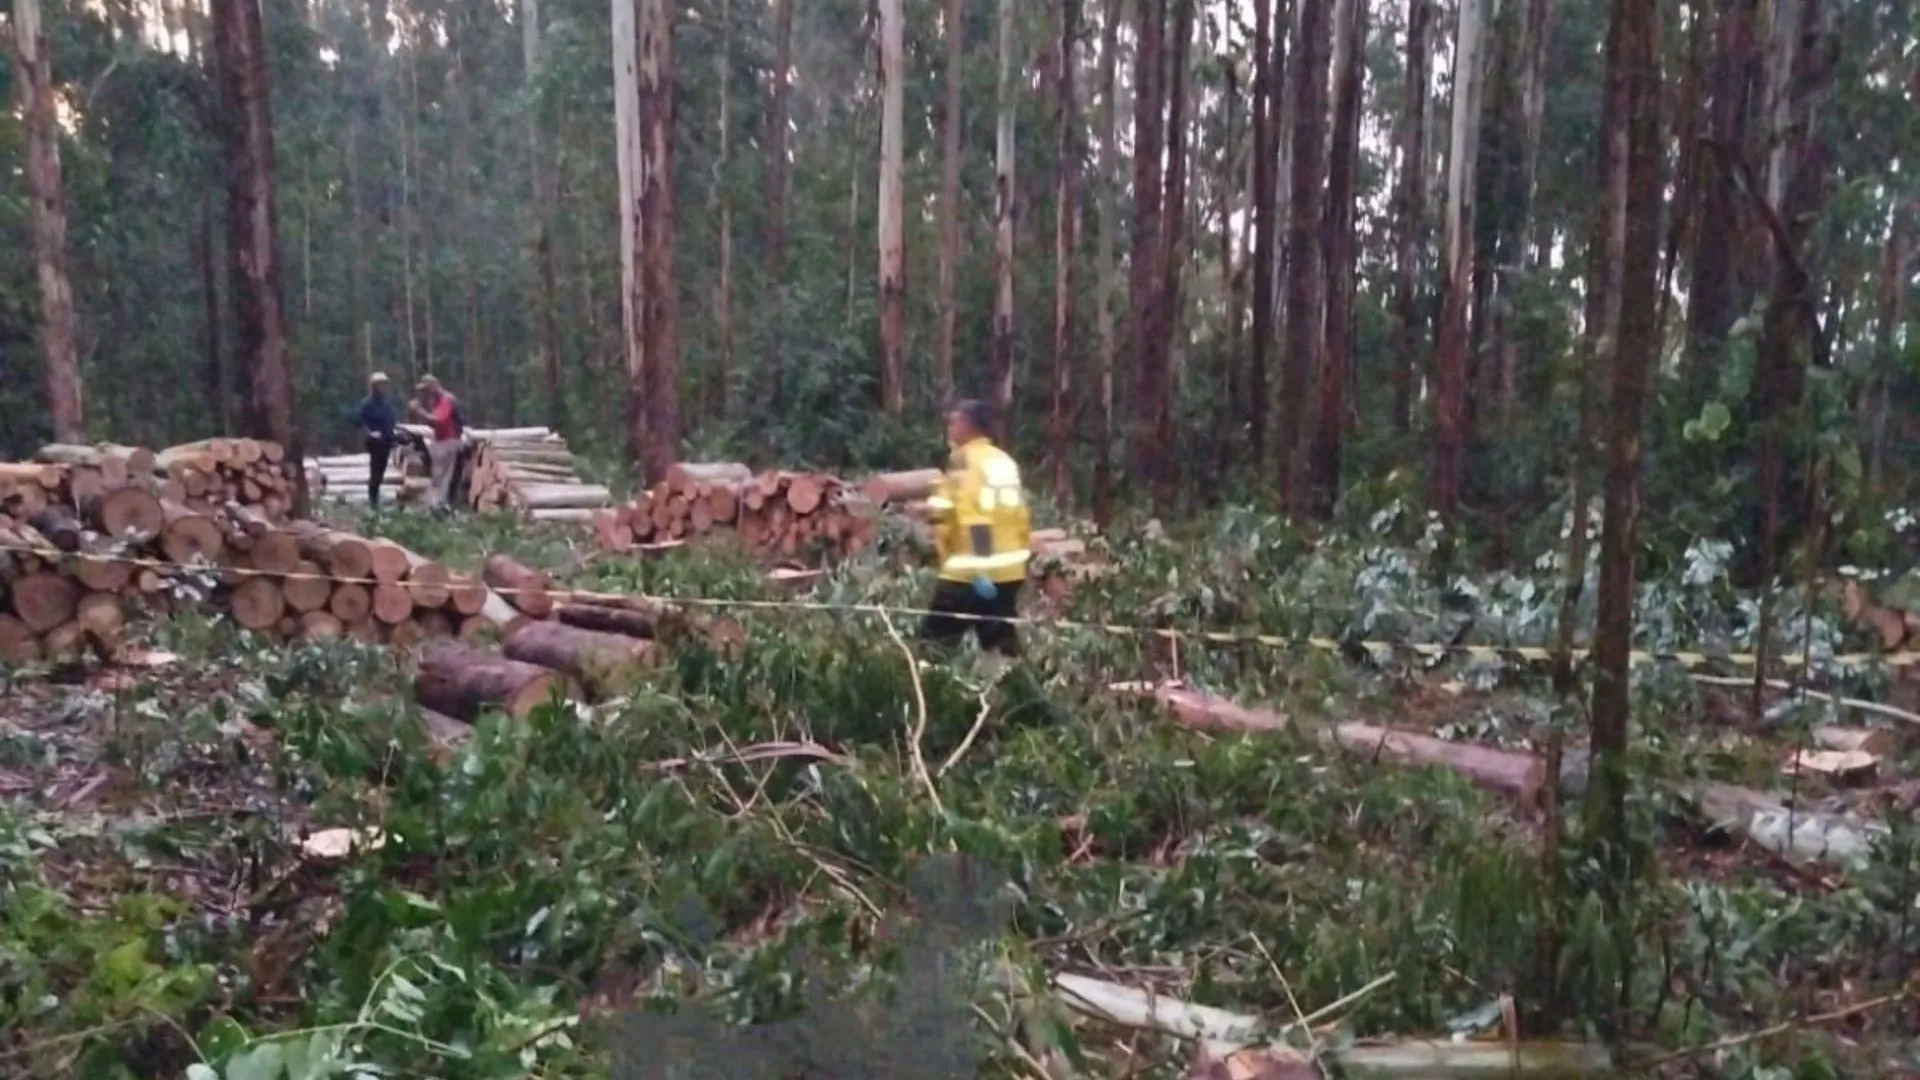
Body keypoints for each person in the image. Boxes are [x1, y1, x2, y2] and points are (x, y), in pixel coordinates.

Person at [920, 400, 1031, 657]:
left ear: (968, 426)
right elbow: (1020, 515)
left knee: (933, 648)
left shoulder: (964, 461)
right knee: (1001, 647)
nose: (949, 428)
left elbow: (975, 516)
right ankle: (1019, 694)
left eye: (953, 422)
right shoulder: (1003, 461)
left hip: (969, 573)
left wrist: (981, 567)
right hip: (1008, 571)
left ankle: (927, 694)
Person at [408, 375, 465, 510]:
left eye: (426, 389)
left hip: (449, 441)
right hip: (441, 441)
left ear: (433, 387)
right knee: (439, 476)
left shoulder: (446, 400)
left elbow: (438, 421)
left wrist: (419, 411)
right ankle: (437, 505)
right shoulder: (437, 401)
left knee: (444, 477)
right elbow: (434, 423)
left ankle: (441, 505)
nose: (424, 393)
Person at [356, 372, 398, 510]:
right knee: (375, 471)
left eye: (385, 385)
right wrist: (370, 434)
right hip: (375, 442)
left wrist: (393, 436)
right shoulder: (367, 404)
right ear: (374, 386)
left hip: (386, 441)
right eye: (380, 385)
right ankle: (373, 501)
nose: (383, 388)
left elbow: (390, 421)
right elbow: (360, 422)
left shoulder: (386, 403)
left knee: (380, 471)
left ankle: (376, 498)